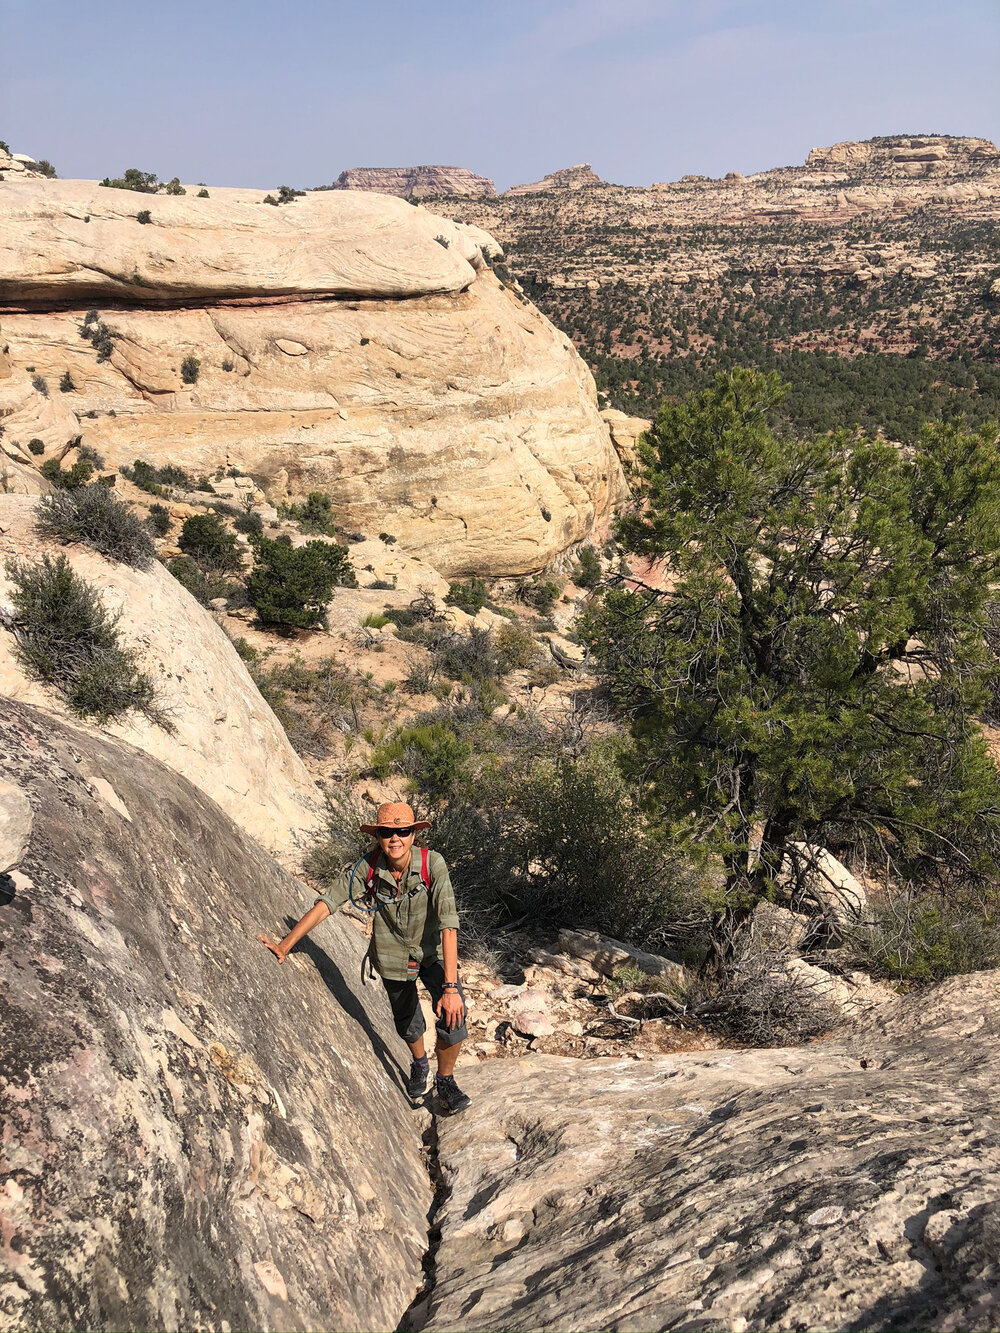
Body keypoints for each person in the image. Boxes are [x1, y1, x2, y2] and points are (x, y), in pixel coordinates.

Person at [259, 802, 471, 1113]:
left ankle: (445, 1080)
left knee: (454, 1017)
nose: (395, 838)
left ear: (414, 834)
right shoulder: (368, 867)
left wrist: (451, 988)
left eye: (402, 831)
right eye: (387, 832)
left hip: (432, 952)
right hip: (392, 954)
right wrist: (286, 944)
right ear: (378, 837)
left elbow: (449, 923)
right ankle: (419, 1062)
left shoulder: (432, 864)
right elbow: (328, 902)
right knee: (407, 1021)